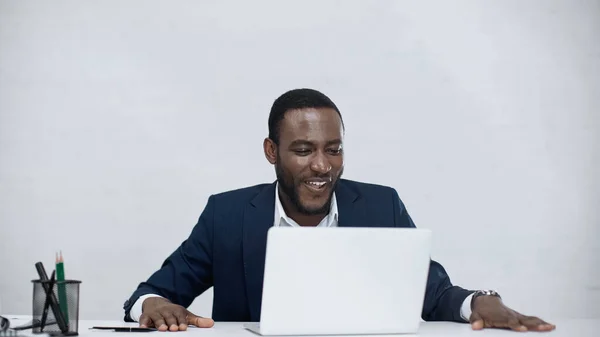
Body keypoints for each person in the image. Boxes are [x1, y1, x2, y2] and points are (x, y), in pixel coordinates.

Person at [122, 88, 555, 333]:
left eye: (334, 149)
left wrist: (482, 301)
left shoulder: (382, 204)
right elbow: (150, 292)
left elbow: (434, 292)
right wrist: (155, 303)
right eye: (303, 150)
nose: (322, 166)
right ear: (272, 152)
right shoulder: (227, 214)